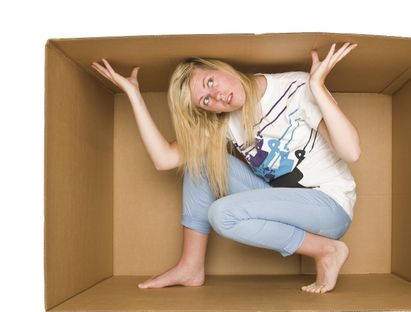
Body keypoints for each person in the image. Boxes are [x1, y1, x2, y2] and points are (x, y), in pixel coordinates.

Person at [91, 42, 360, 294]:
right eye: (206, 101)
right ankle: (190, 266)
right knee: (201, 163)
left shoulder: (295, 87)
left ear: (219, 66)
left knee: (222, 214)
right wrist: (133, 93)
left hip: (328, 207)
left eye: (210, 82)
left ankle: (326, 250)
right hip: (285, 205)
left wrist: (317, 87)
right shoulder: (223, 121)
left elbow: (351, 152)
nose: (218, 97)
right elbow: (164, 160)